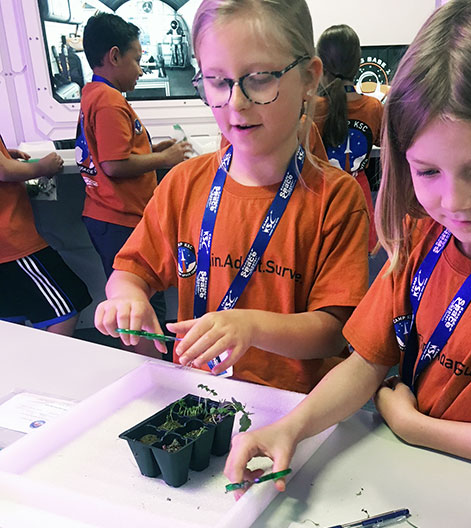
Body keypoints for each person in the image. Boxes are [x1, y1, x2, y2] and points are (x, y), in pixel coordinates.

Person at [224, 0, 471, 490]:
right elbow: (365, 362)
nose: (454, 202)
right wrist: (290, 427)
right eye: (426, 171)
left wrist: (414, 426)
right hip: (410, 483)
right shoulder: (421, 238)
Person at [94, 0, 369, 394]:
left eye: (259, 78)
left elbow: (333, 332)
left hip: (292, 410)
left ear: (309, 77)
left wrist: (249, 326)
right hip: (198, 394)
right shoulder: (183, 184)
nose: (236, 102)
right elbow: (130, 272)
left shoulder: (334, 198)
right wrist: (127, 299)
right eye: (218, 81)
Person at [76, 12, 191, 352]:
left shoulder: (94, 94)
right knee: (140, 303)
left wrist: (152, 150)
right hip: (119, 217)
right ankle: (151, 366)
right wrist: (164, 160)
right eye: (137, 60)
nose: (141, 70)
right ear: (114, 56)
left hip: (106, 213)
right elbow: (113, 164)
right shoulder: (110, 101)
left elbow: (113, 151)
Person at [0, 137, 91, 334]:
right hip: (12, 242)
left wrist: (6, 156)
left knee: (10, 315)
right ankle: (51, 363)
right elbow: (3, 171)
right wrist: (41, 168)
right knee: (68, 303)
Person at [314, 24, 383, 251]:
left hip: (322, 198)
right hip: (359, 197)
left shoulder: (311, 109)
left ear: (320, 66)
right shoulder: (373, 108)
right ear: (357, 64)